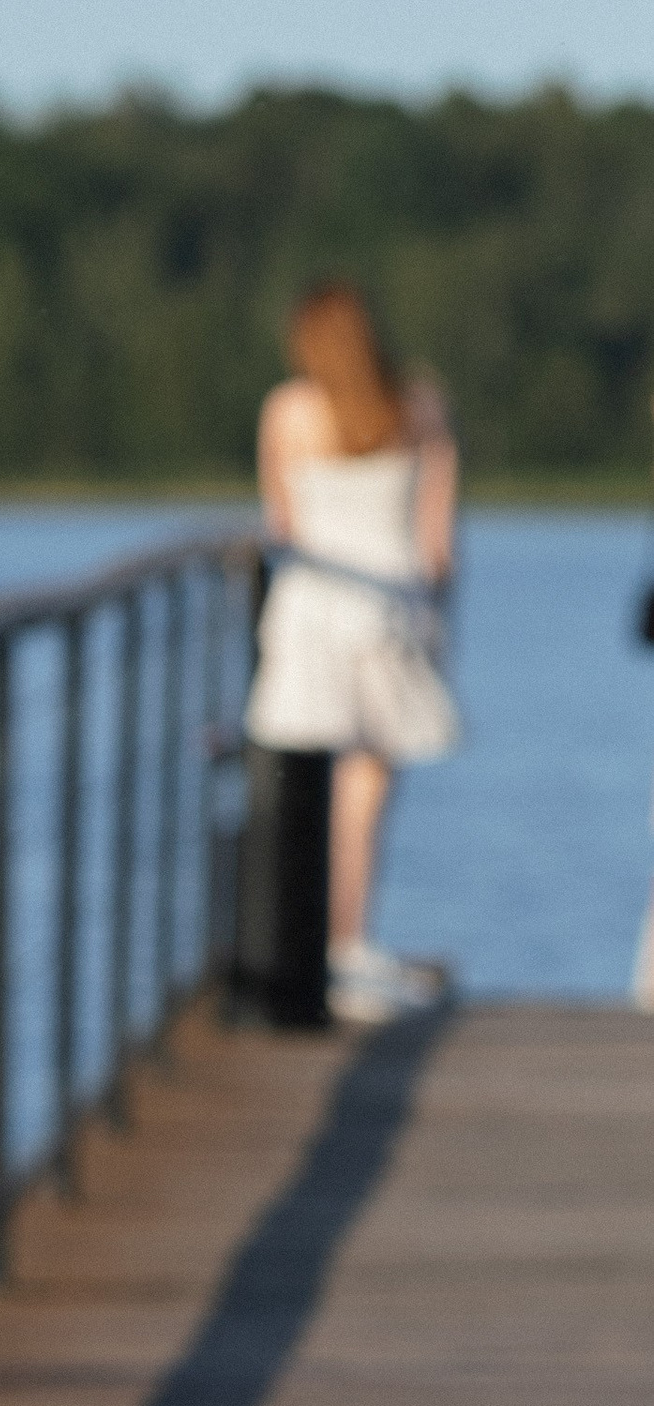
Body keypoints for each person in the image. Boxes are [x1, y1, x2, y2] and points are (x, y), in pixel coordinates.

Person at [248, 278, 461, 1026]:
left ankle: (303, 950)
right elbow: (438, 548)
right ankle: (348, 942)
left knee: (301, 785)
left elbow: (282, 522)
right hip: (389, 616)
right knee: (366, 794)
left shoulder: (286, 412)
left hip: (310, 612)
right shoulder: (420, 405)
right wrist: (440, 636)